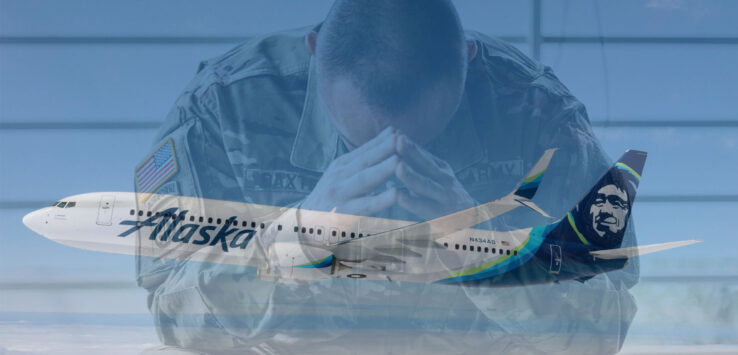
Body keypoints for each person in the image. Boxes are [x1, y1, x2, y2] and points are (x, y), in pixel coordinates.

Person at [136, 1, 639, 353]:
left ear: (468, 60)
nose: (391, 159)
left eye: (423, 140)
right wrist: (290, 243)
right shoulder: (223, 109)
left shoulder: (540, 116)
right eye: (358, 139)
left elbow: (605, 327)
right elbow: (170, 311)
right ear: (314, 53)